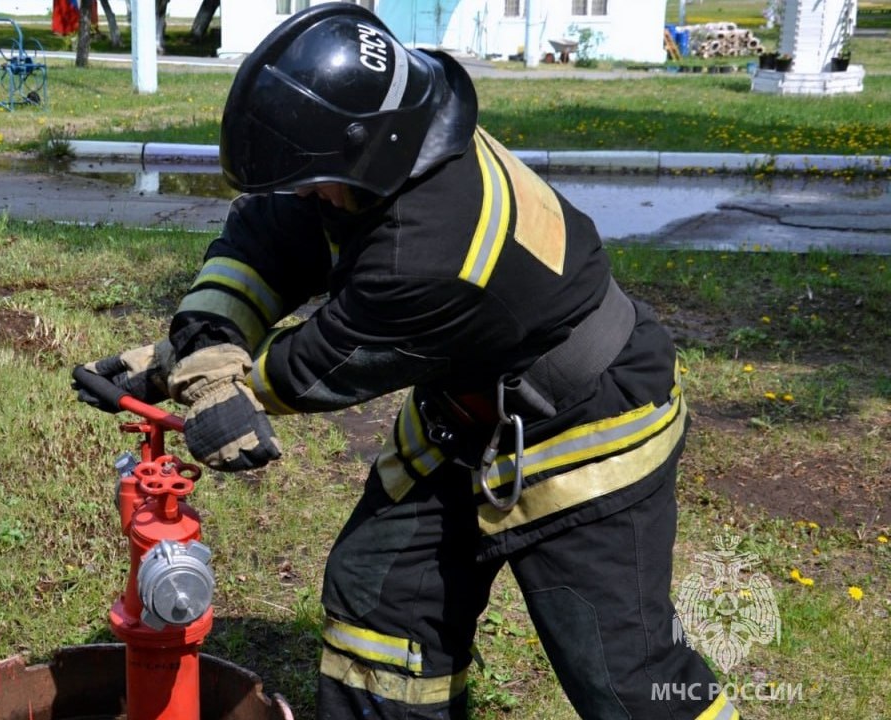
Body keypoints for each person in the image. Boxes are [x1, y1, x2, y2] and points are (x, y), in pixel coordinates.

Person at [73, 4, 734, 719]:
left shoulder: (431, 249)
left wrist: (205, 380)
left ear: (367, 148)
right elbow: (268, 233)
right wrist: (201, 343)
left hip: (589, 420)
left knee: (625, 675)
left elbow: (317, 366)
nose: (304, 195)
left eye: (312, 179)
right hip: (466, 408)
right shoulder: (393, 137)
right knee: (381, 602)